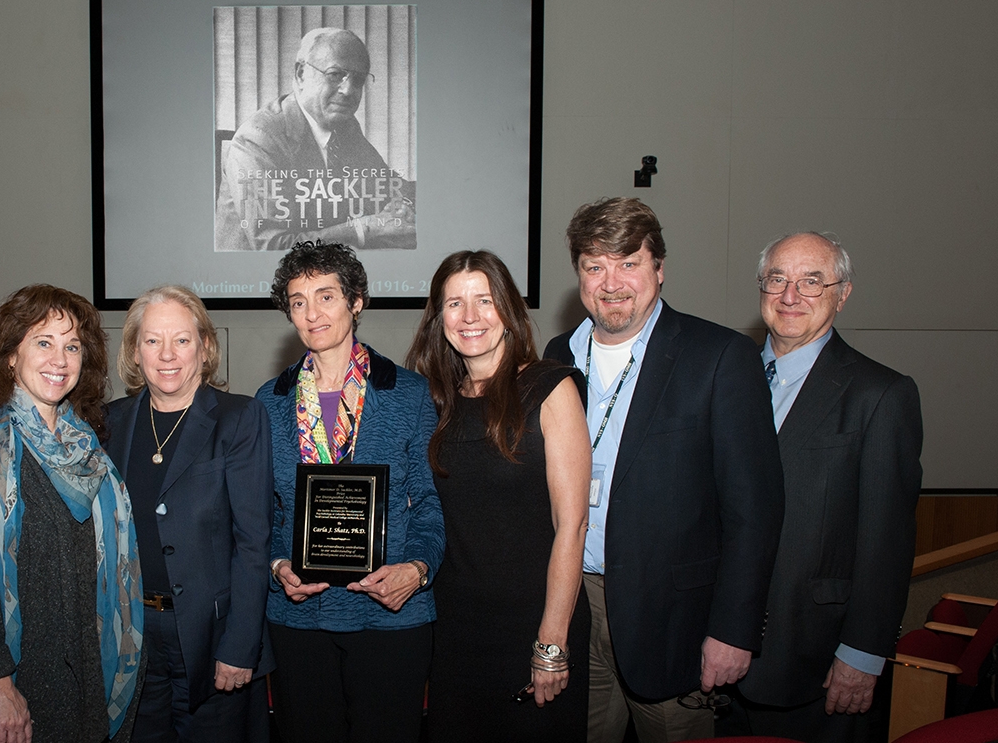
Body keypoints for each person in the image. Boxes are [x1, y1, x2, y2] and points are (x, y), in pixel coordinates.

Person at [542, 197, 784, 743]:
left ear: (659, 268)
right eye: (594, 265)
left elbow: (756, 510)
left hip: (674, 619)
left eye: (629, 261)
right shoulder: (559, 356)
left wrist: (733, 630)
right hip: (576, 601)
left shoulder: (718, 356)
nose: (612, 281)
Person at [0, 284, 142, 743]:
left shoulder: (90, 452)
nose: (60, 360)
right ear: (9, 356)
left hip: (82, 677)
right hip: (6, 693)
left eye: (72, 346)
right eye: (43, 342)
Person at [725, 233, 922, 743]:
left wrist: (862, 654)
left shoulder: (880, 395)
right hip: (712, 651)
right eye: (777, 279)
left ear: (843, 293)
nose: (791, 296)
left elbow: (887, 540)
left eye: (813, 281)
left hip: (809, 657)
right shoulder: (724, 376)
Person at [258, 240, 444, 743]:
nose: (311, 313)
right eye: (298, 301)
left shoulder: (409, 393)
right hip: (299, 617)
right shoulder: (270, 403)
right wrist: (278, 566)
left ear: (356, 301)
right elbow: (265, 513)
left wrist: (418, 569)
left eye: (325, 296)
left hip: (390, 613)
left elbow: (430, 503)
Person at [407, 250, 592, 741]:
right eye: (454, 304)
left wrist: (551, 643)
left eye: (484, 300)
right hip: (453, 630)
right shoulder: (435, 402)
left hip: (533, 624)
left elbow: (571, 527)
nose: (470, 317)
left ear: (508, 309)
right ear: (438, 318)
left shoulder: (550, 388)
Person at [105, 286, 274, 742]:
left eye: (181, 339)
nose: (167, 354)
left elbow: (253, 541)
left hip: (211, 635)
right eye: (152, 340)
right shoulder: (110, 422)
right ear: (134, 351)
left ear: (205, 346)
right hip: (133, 636)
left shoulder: (239, 418)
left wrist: (241, 645)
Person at [216, 28, 415, 252]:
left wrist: (402, 207)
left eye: (358, 80)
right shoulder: (258, 140)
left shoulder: (346, 127)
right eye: (335, 74)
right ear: (301, 74)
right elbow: (272, 246)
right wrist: (364, 228)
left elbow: (388, 183)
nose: (348, 90)